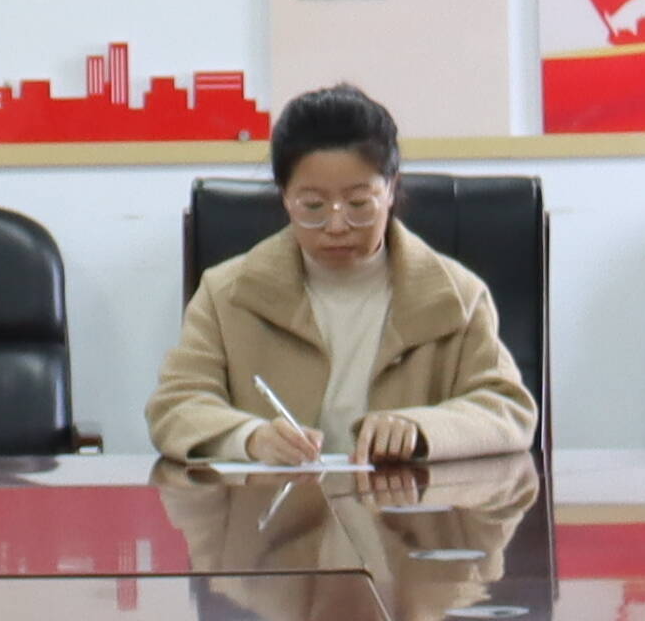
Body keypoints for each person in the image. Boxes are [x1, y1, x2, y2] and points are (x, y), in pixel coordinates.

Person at [152, 87, 537, 470]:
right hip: (273, 507)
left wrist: (419, 428)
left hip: (409, 508)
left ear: (391, 189)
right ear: (285, 197)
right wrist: (249, 438)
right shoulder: (226, 295)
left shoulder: (456, 296)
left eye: (358, 203)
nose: (336, 225)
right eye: (313, 206)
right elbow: (176, 406)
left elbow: (508, 410)